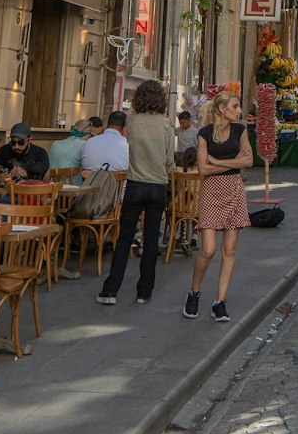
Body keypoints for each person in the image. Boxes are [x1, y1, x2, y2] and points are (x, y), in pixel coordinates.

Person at [97, 80, 175, 308]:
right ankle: (144, 292)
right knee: (151, 240)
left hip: (135, 184)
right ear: (161, 100)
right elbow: (170, 162)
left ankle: (110, 290)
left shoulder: (131, 121)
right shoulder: (166, 126)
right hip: (157, 186)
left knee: (124, 239)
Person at [182, 89, 253, 322]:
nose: (239, 110)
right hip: (212, 191)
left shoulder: (241, 130)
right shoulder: (204, 134)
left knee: (229, 250)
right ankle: (194, 292)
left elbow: (249, 161)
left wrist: (218, 161)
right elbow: (203, 169)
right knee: (208, 249)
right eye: (235, 106)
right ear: (222, 109)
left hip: (233, 189)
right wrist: (233, 164)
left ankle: (219, 302)